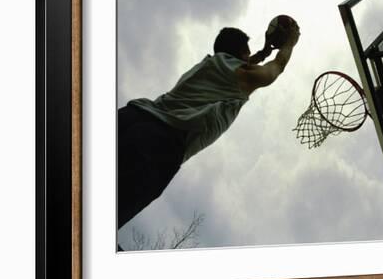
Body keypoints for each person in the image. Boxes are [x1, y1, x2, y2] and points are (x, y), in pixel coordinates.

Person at [117, 18, 300, 229]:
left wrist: (263, 52)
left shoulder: (209, 65)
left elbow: (243, 65)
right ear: (241, 54)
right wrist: (289, 44)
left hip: (132, 115)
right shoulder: (240, 76)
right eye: (247, 54)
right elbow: (275, 69)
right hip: (160, 142)